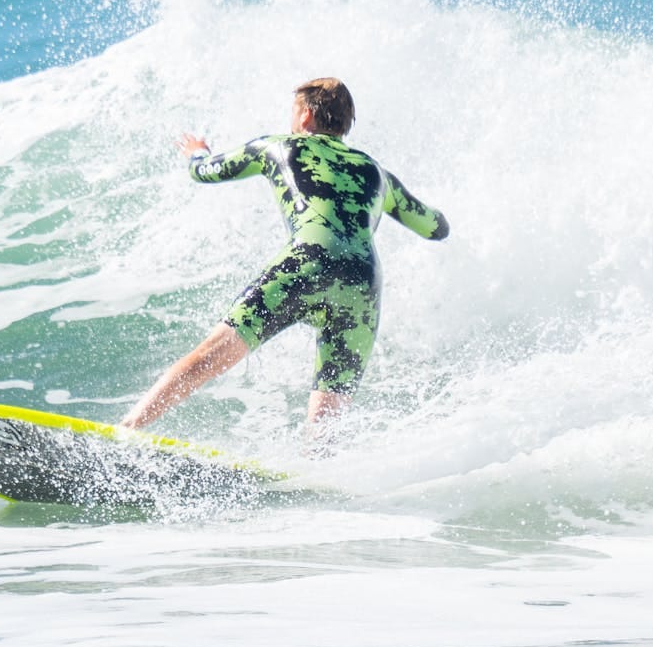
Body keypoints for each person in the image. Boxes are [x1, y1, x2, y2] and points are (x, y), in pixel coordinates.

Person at [119, 77, 449, 437]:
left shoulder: (279, 146)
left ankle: (128, 429)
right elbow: (435, 228)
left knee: (212, 355)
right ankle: (316, 466)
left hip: (307, 262)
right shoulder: (378, 174)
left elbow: (204, 170)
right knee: (327, 418)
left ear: (306, 116)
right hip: (363, 285)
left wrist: (196, 152)